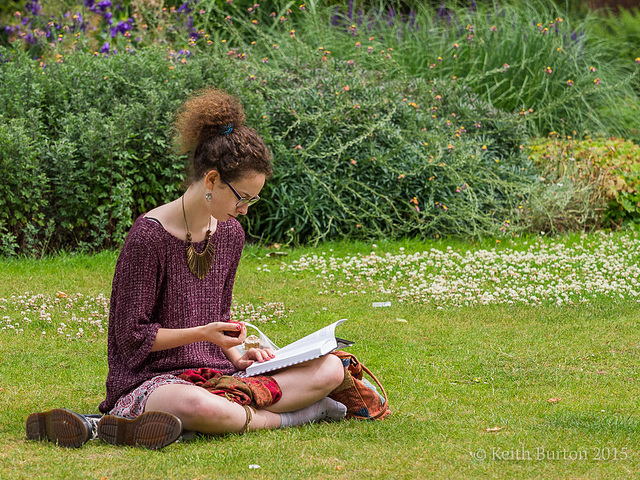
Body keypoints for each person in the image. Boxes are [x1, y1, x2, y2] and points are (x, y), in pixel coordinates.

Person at [26, 88, 347, 449]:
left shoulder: (230, 233)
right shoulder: (149, 237)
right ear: (211, 180)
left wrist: (241, 356)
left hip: (219, 376)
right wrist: (203, 333)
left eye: (253, 200)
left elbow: (218, 318)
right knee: (195, 404)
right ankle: (302, 412)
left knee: (332, 368)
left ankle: (205, 422)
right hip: (157, 381)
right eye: (242, 197)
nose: (245, 210)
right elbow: (131, 336)